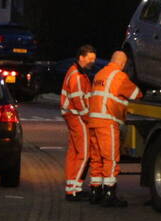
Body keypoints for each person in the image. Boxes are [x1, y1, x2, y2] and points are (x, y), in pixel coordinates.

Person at [86, 50, 142, 208]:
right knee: (110, 158)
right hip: (107, 121)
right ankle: (109, 193)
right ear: (123, 64)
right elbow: (136, 94)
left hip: (94, 121)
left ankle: (95, 191)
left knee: (96, 158)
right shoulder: (119, 76)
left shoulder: (99, 74)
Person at [61, 44, 97, 201]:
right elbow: (78, 99)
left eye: (93, 60)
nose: (92, 63)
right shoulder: (77, 75)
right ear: (81, 57)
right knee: (84, 153)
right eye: (90, 59)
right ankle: (75, 189)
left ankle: (71, 188)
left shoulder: (77, 72)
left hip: (72, 115)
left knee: (74, 153)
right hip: (77, 116)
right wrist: (87, 117)